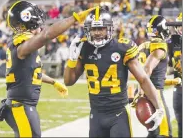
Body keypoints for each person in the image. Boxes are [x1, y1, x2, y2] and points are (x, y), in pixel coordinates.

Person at [0, 0, 95, 137]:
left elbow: (30, 73)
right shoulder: (22, 45)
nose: (40, 29)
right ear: (27, 24)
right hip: (20, 106)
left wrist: (54, 82)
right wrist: (74, 18)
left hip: (22, 105)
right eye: (37, 25)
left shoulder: (21, 46)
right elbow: (47, 35)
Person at [64, 7, 164, 137]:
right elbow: (68, 81)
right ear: (88, 29)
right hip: (96, 114)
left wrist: (158, 107)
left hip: (118, 113)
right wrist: (71, 60)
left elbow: (143, 79)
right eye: (94, 29)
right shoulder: (84, 48)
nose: (97, 32)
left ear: (109, 28)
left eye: (101, 28)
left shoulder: (122, 47)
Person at [137, 15, 172, 137]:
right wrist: (140, 91)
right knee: (164, 133)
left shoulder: (145, 46)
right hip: (154, 93)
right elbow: (147, 70)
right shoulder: (159, 47)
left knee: (153, 131)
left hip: (147, 93)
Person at [169, 12, 182, 138]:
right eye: (180, 26)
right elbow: (168, 67)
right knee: (180, 123)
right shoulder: (173, 42)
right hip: (179, 87)